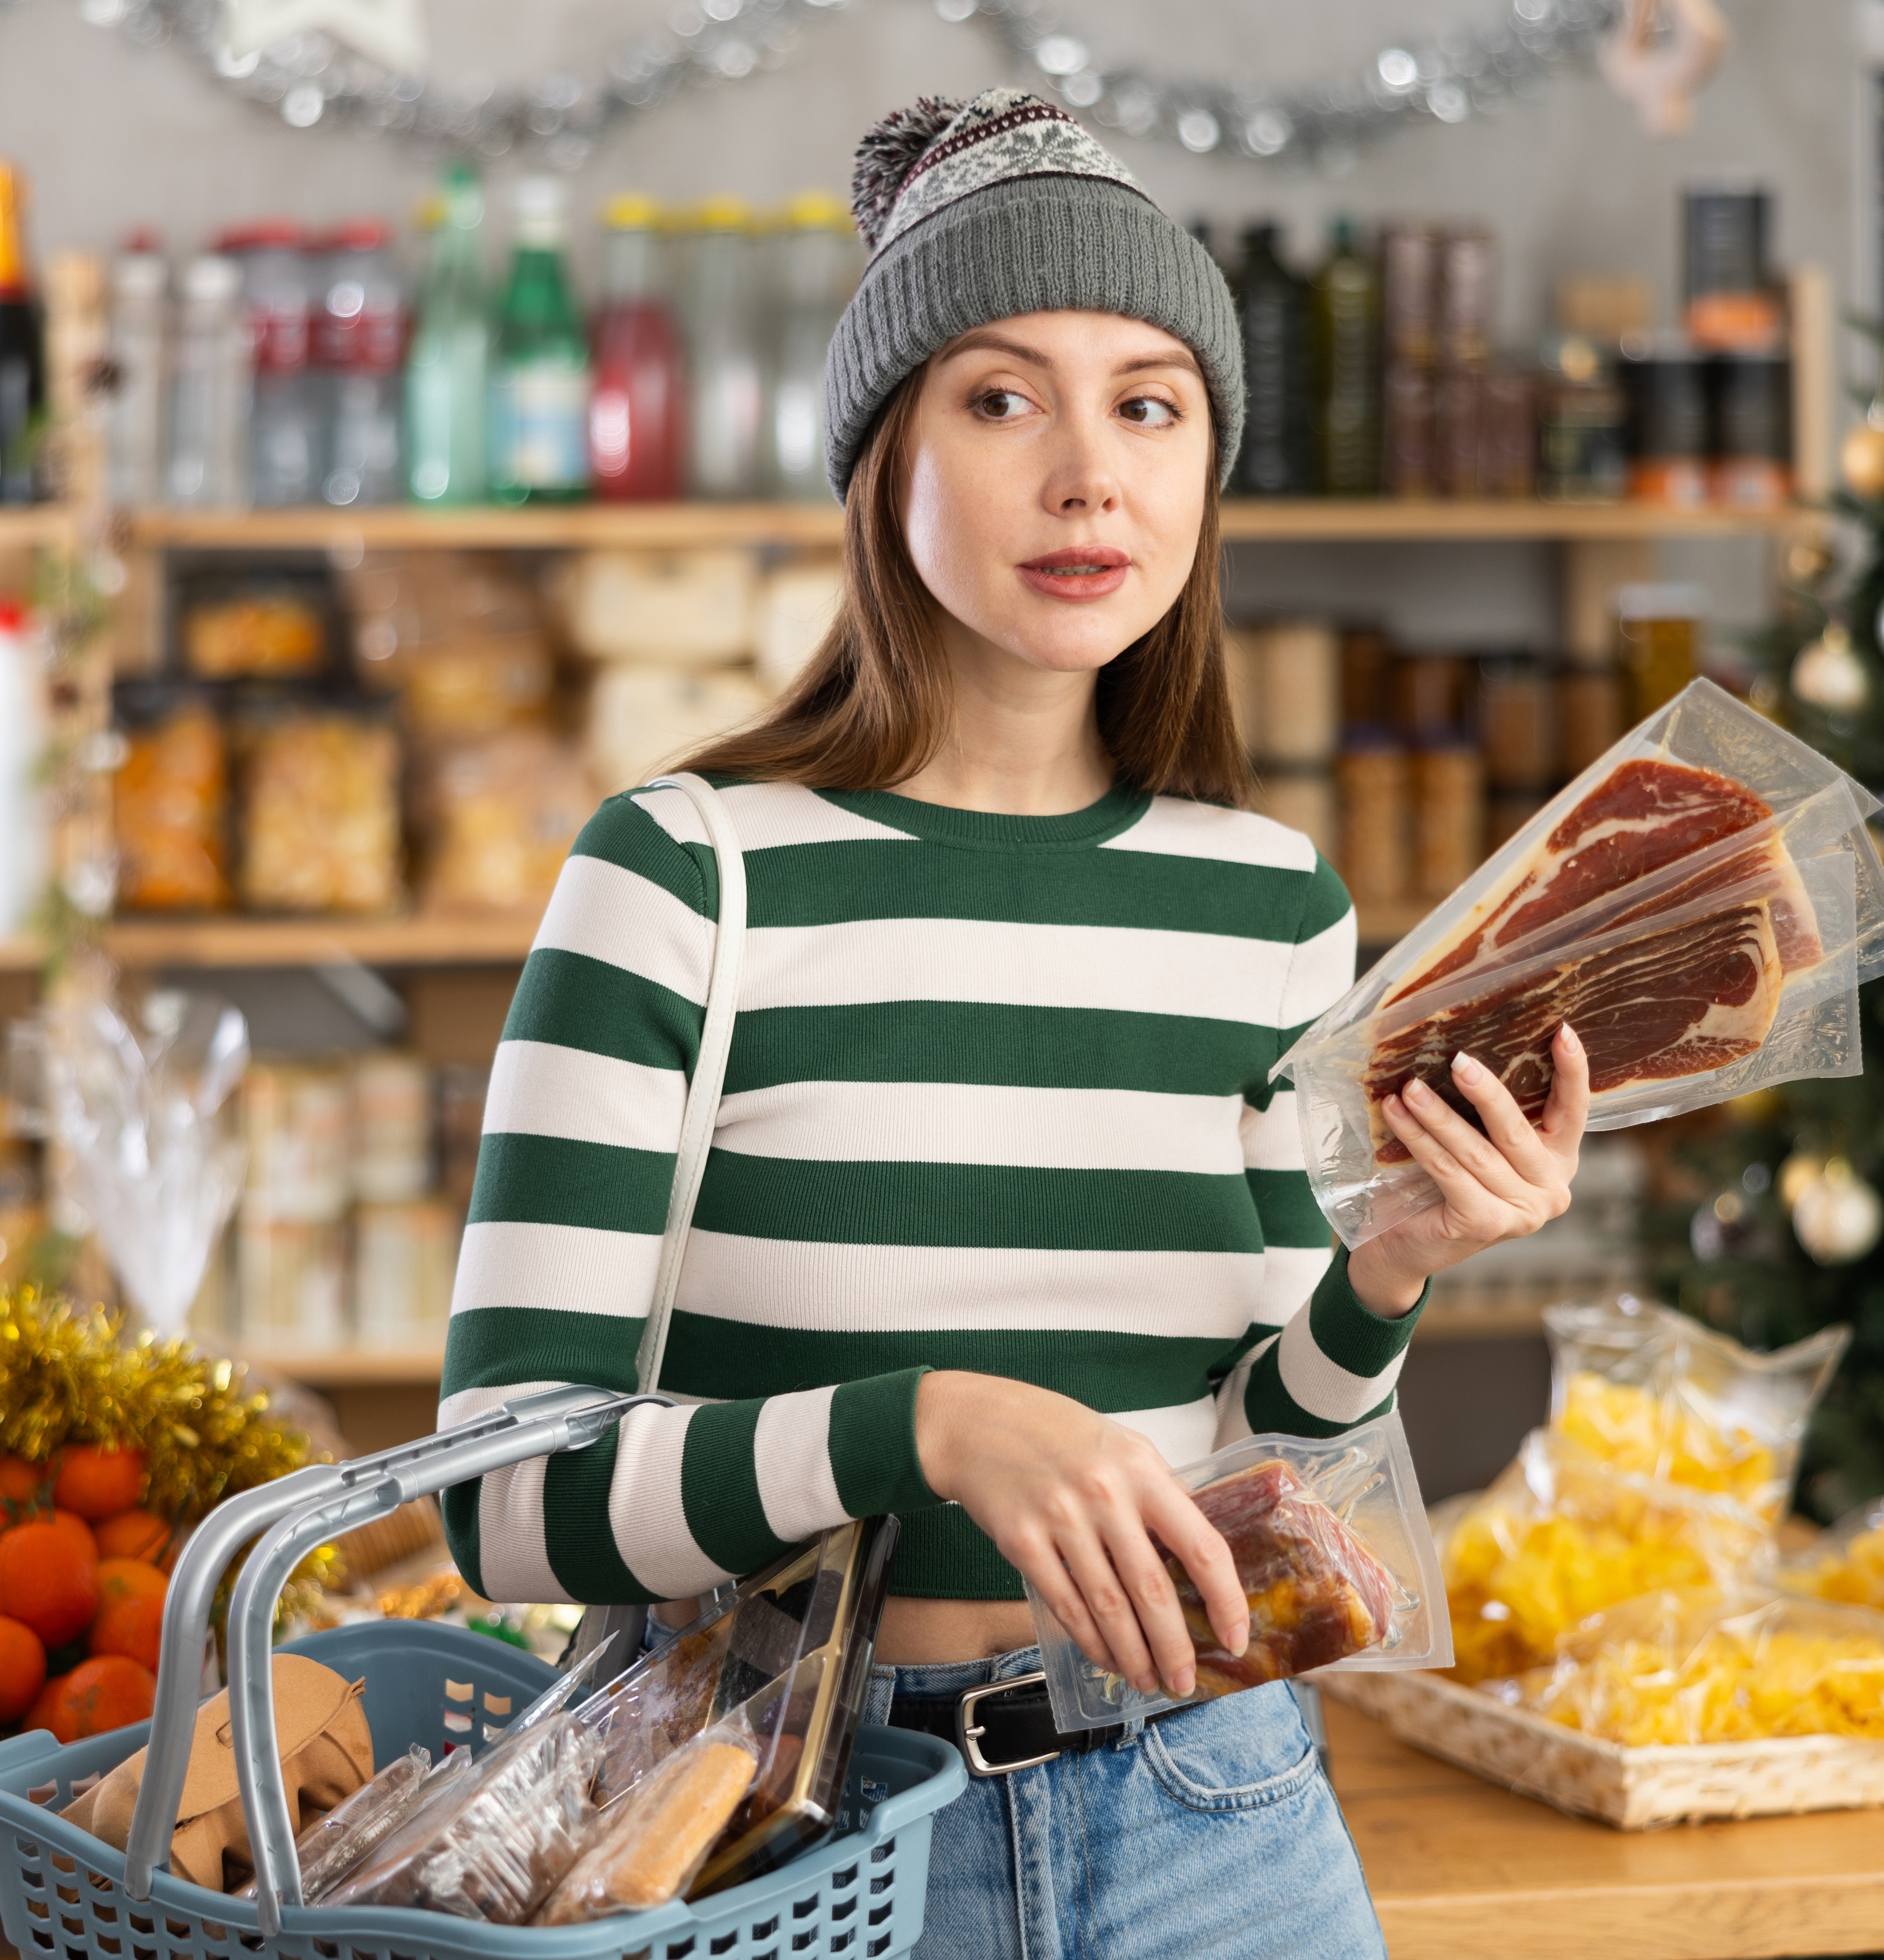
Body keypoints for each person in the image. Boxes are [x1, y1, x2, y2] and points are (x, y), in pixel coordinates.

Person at [438, 90, 1586, 1957]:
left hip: (1215, 1807)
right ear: (882, 453)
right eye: (1001, 400)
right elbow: (507, 1498)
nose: (1089, 477)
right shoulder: (687, 875)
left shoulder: (1273, 904)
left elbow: (1258, 1452)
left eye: (1150, 405)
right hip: (791, 1828)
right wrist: (929, 1429)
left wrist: (1392, 1267)